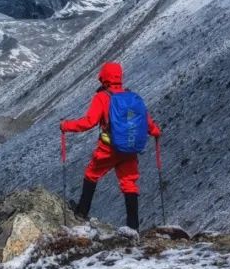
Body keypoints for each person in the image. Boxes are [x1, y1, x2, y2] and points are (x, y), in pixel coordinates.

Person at [60, 61, 160, 233]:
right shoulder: (131, 97)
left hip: (108, 148)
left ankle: (82, 212)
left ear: (104, 77)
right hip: (129, 148)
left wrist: (66, 125)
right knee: (129, 183)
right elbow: (146, 122)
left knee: (91, 174)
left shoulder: (102, 97)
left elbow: (89, 122)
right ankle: (133, 227)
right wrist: (156, 131)